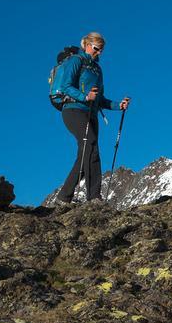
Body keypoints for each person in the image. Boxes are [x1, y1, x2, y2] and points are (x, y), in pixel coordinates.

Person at [53, 31, 130, 203]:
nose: (99, 53)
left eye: (101, 50)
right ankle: (92, 196)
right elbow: (66, 86)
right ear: (87, 45)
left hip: (91, 113)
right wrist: (85, 97)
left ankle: (66, 196)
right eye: (97, 48)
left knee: (90, 151)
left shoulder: (97, 70)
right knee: (90, 146)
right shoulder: (76, 61)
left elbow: (100, 98)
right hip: (73, 110)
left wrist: (119, 105)